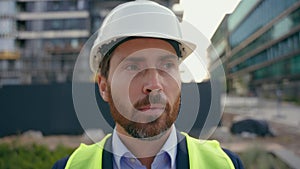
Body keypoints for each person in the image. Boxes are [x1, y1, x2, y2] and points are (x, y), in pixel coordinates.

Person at [53, 1, 244, 168]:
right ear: (104, 87)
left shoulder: (225, 165)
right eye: (133, 67)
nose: (154, 85)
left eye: (167, 65)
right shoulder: (71, 167)